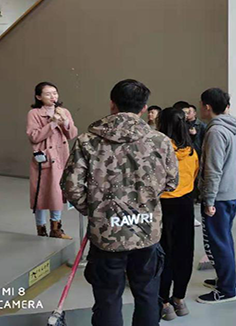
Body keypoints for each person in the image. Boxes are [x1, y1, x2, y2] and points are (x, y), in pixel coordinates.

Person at [61, 79, 178, 326]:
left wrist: (96, 211)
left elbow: (71, 186)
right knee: (147, 295)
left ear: (112, 104)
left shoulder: (87, 141)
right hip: (146, 232)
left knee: (107, 297)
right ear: (144, 107)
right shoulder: (160, 141)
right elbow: (172, 182)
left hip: (106, 234)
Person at [197, 88, 236, 304]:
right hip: (230, 192)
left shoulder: (215, 131)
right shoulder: (232, 126)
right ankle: (227, 281)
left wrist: (209, 199)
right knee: (224, 240)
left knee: (218, 243)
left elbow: (213, 169)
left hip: (219, 196)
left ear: (207, 106)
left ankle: (226, 289)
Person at [156, 107, 199, 321]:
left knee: (164, 253)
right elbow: (194, 176)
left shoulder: (159, 151)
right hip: (186, 204)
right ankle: (179, 299)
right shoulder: (191, 151)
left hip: (163, 205)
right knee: (184, 252)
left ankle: (164, 302)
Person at [26, 82, 78, 239]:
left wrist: (65, 122)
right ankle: (41, 229)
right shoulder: (34, 113)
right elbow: (34, 137)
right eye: (48, 94)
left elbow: (72, 134)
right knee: (41, 194)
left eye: (55, 93)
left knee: (57, 193)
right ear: (38, 97)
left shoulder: (64, 111)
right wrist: (53, 123)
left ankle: (56, 229)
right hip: (44, 159)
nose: (52, 96)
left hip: (61, 158)